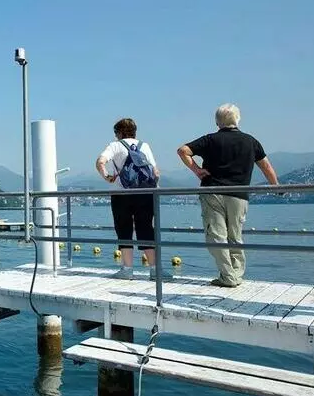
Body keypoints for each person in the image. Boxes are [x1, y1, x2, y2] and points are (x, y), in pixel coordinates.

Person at [178, 103, 279, 287]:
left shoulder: (210, 140)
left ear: (217, 122)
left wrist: (197, 170)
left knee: (216, 236)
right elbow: (266, 166)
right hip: (239, 195)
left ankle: (227, 276)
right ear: (238, 120)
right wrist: (276, 187)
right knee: (235, 236)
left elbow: (183, 151)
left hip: (212, 192)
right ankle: (236, 275)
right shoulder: (251, 141)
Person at [96, 118, 161, 280]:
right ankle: (154, 270)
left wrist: (107, 177)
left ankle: (127, 270)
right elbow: (156, 172)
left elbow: (100, 162)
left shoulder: (115, 145)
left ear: (118, 132)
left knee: (124, 229)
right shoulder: (144, 145)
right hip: (145, 194)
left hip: (121, 194)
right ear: (134, 131)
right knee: (146, 228)